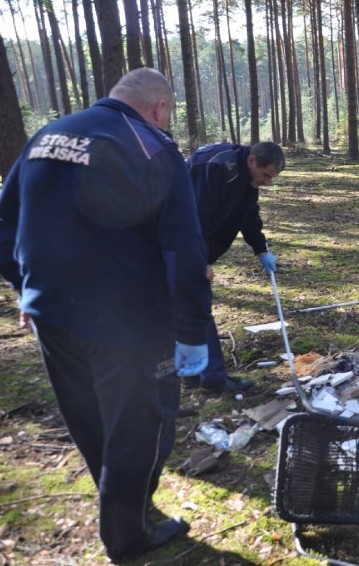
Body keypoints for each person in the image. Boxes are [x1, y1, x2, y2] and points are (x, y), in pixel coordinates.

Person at [0, 68, 212, 563]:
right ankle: (128, 535)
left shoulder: (46, 136)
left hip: (53, 315)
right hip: (130, 325)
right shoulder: (154, 148)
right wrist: (192, 332)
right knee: (141, 426)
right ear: (159, 108)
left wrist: (27, 288)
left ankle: (124, 503)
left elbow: (4, 223)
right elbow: (184, 249)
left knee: (90, 418)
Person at [185, 141, 285, 393]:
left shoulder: (245, 176)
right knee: (197, 306)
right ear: (252, 161)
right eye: (265, 176)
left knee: (187, 308)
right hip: (175, 241)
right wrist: (199, 261)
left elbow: (248, 213)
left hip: (192, 244)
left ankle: (191, 373)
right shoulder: (215, 167)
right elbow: (194, 217)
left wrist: (260, 248)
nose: (267, 182)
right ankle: (213, 379)